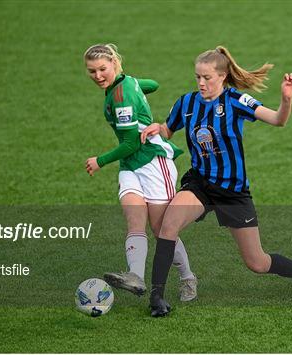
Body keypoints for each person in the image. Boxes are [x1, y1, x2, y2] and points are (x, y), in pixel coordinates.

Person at [141, 46, 292, 317]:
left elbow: (278, 120)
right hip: (200, 184)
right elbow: (169, 128)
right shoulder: (186, 103)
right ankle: (157, 298)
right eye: (197, 77)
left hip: (233, 192)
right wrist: (159, 128)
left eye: (207, 78)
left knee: (257, 263)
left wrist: (286, 99)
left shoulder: (236, 100)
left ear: (222, 77)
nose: (201, 83)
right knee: (168, 225)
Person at [83, 43, 198, 301]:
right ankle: (136, 276)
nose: (98, 76)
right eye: (92, 71)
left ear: (114, 63)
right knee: (135, 221)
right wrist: (137, 87)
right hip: (130, 166)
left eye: (103, 69)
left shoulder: (122, 96)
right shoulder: (126, 84)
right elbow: (154, 84)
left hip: (152, 162)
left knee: (161, 230)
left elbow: (131, 143)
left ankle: (188, 278)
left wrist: (99, 161)